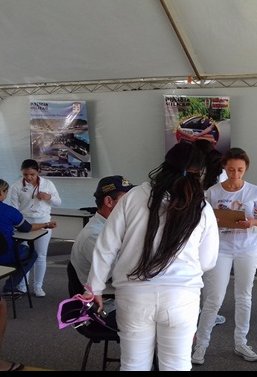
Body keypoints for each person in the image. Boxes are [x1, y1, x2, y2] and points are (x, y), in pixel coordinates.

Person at [85, 141, 219, 371]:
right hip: (181, 298)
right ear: (199, 173)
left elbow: (106, 246)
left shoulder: (133, 197)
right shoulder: (201, 207)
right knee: (177, 365)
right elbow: (208, 262)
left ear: (165, 165)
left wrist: (94, 288)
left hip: (133, 296)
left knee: (133, 365)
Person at [192, 148, 257, 364]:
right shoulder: (213, 191)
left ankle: (241, 342)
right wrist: (212, 221)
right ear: (224, 167)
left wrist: (253, 222)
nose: (235, 174)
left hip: (246, 249)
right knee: (213, 299)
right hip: (220, 249)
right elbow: (200, 220)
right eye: (231, 170)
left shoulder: (254, 191)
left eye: (240, 170)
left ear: (246, 168)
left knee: (244, 297)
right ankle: (201, 344)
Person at [69, 174, 134, 314]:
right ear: (109, 202)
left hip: (119, 297)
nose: (132, 205)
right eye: (127, 200)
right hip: (107, 306)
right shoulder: (95, 236)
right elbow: (122, 275)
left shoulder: (113, 228)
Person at [9, 159, 62, 297]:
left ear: (38, 172)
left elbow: (58, 202)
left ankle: (38, 286)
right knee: (24, 255)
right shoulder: (16, 186)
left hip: (43, 222)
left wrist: (47, 197)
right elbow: (14, 209)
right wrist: (17, 225)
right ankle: (22, 285)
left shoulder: (48, 184)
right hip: (24, 223)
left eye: (32, 174)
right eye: (25, 174)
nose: (28, 178)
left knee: (41, 255)